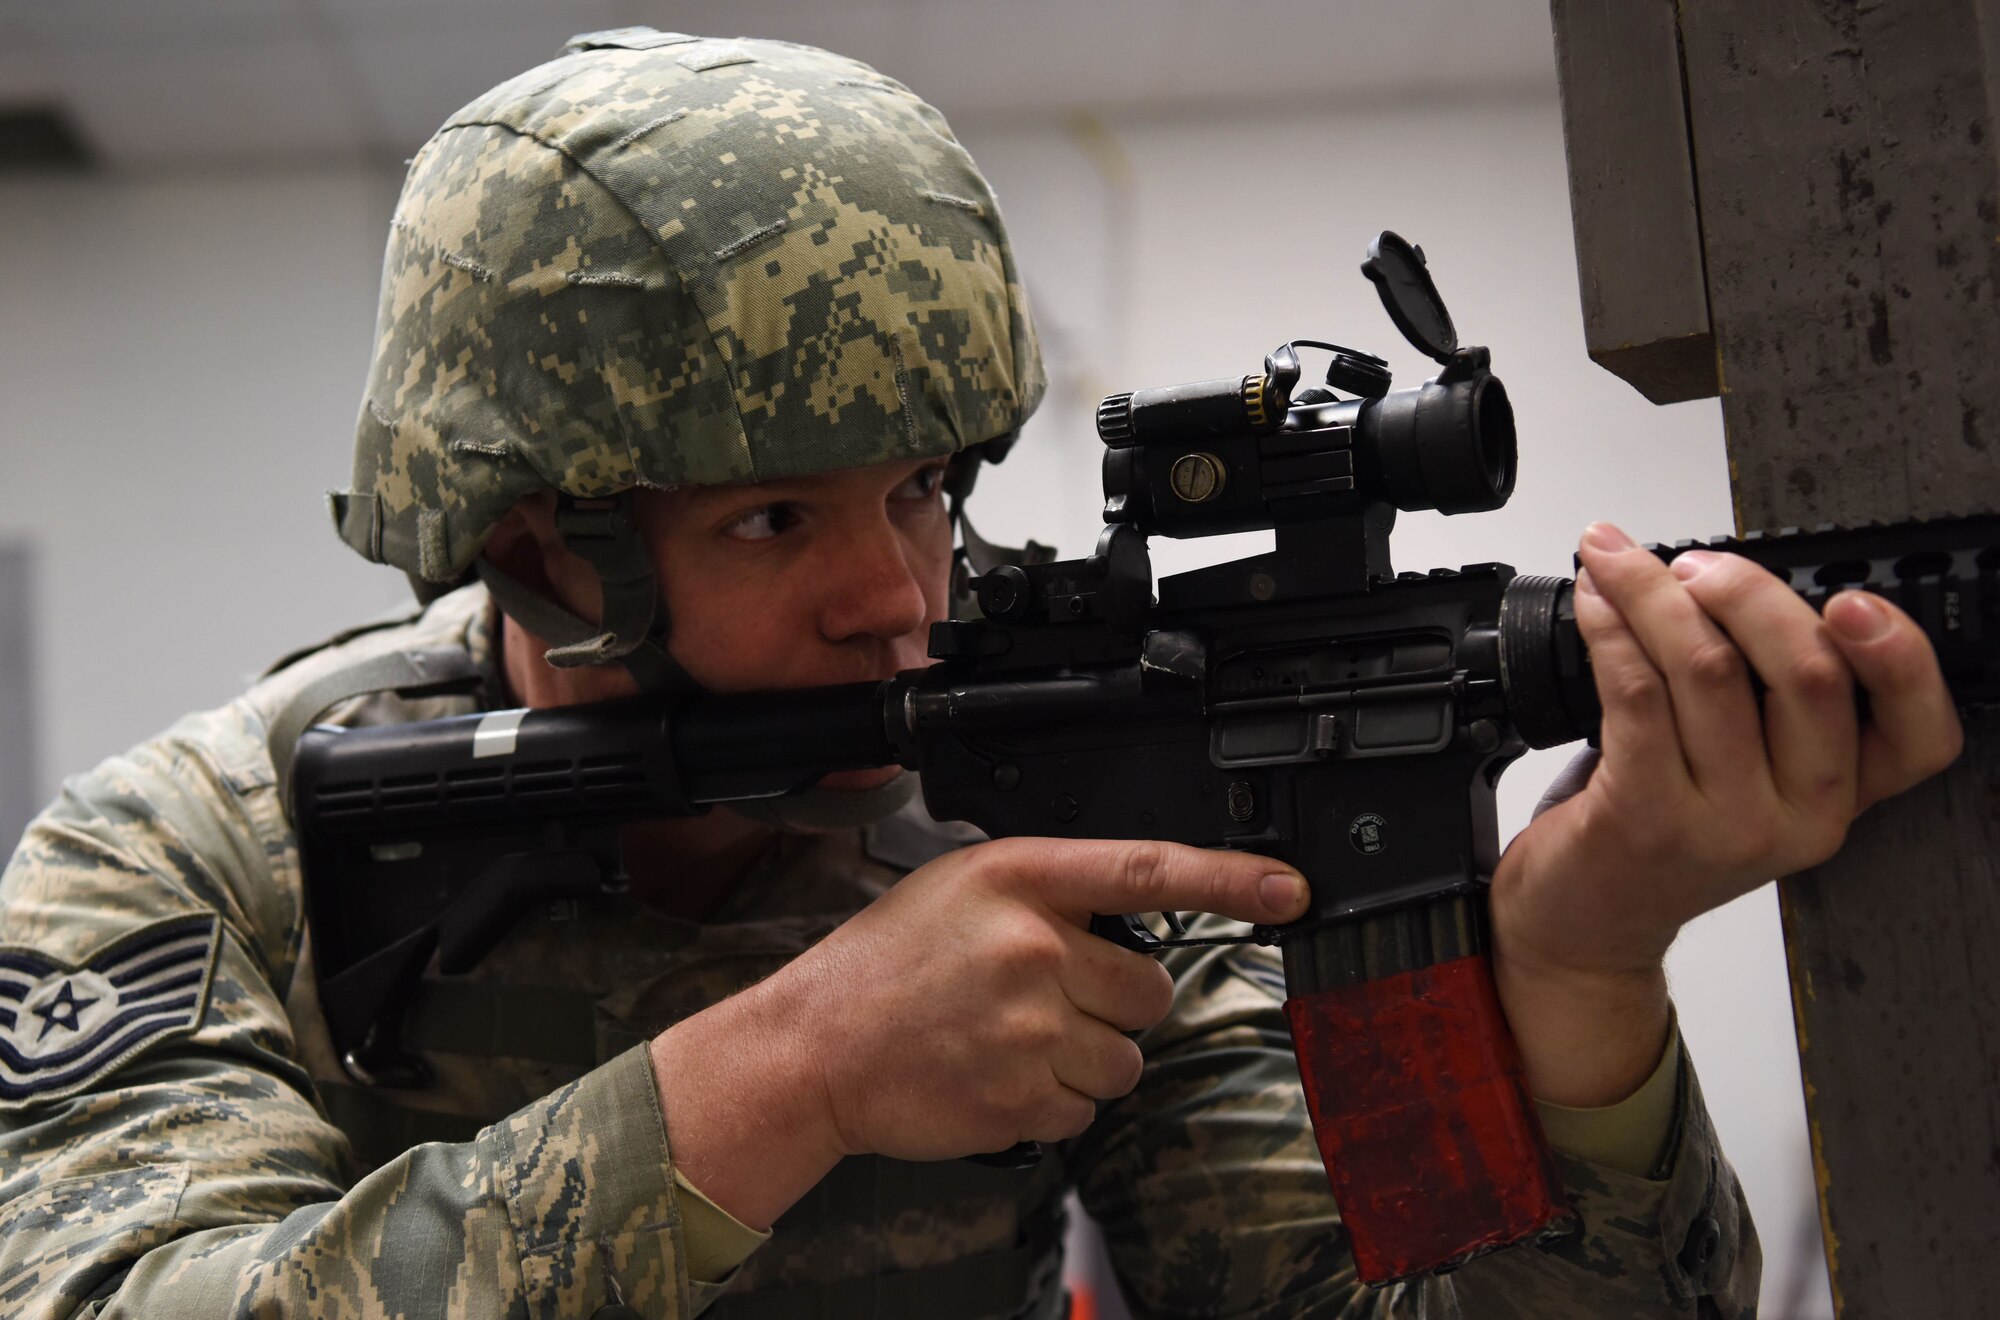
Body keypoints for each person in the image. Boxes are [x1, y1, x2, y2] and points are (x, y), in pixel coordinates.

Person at [0, 28, 1963, 1320]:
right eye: (776, 522)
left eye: (928, 491)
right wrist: (795, 1066)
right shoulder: (194, 859)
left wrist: (1580, 974)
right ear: (544, 554)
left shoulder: (1059, 797)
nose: (900, 596)